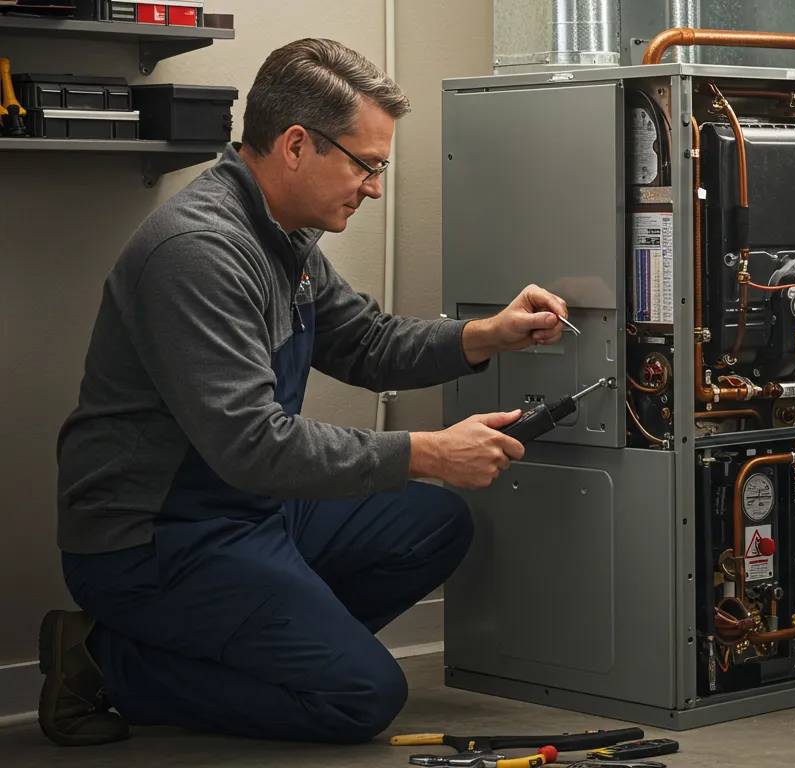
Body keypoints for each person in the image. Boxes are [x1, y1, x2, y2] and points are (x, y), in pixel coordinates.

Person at [38, 38, 569, 747]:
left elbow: (369, 343)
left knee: (436, 524)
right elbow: (252, 444)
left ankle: (273, 645)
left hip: (247, 510)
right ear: (295, 145)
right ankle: (102, 661)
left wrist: (489, 334)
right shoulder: (198, 252)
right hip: (156, 537)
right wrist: (428, 451)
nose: (375, 187)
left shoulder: (285, 239)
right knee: (361, 696)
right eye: (367, 165)